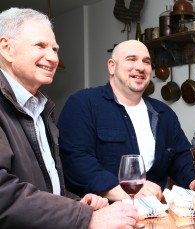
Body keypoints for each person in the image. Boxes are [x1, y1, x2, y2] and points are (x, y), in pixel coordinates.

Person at [0, 7, 138, 229]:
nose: (53, 58)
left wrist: (76, 203)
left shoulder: (41, 108)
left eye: (55, 49)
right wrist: (84, 217)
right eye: (41, 46)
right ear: (6, 48)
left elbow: (46, 188)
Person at [57, 39, 195, 202]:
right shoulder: (83, 103)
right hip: (103, 214)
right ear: (112, 66)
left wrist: (193, 180)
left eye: (146, 62)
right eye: (131, 59)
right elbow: (74, 160)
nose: (140, 67)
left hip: (155, 212)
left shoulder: (164, 113)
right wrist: (122, 190)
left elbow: (181, 156)